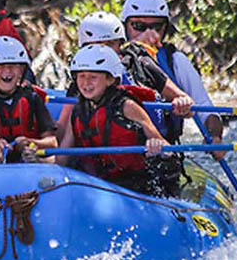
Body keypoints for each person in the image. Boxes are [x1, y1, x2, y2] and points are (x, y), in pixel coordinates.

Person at [56, 44, 183, 198]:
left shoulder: (127, 106)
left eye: (93, 77)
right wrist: (38, 160)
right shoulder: (77, 111)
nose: (86, 82)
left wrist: (157, 145)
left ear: (110, 79)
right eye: (81, 76)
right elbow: (62, 157)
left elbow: (163, 144)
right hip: (97, 183)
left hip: (136, 184)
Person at [56, 11, 194, 142]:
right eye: (95, 45)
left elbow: (185, 102)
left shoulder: (141, 64)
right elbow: (63, 128)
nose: (103, 51)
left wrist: (182, 103)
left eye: (110, 44)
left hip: (149, 148)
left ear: (120, 44)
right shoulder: (82, 80)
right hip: (103, 153)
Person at [120, 0, 224, 156]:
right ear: (125, 27)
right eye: (139, 26)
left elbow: (204, 107)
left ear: (165, 28)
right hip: (119, 150)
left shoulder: (175, 60)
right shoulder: (110, 61)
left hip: (163, 152)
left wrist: (215, 136)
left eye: (156, 27)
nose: (149, 34)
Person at [0, 36, 57, 163]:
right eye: (0, 66)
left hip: (28, 163)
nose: (8, 71)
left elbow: (52, 142)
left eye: (13, 65)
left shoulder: (32, 97)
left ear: (21, 70)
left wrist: (30, 142)